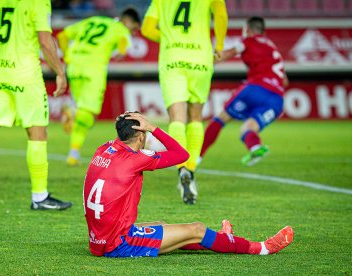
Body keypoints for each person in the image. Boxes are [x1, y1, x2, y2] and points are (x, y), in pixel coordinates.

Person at [83, 111, 294, 258]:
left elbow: (123, 140)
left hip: (99, 239)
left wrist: (128, 125)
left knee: (161, 225)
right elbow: (181, 154)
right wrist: (153, 127)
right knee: (197, 229)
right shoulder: (136, 159)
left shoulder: (104, 149)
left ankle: (221, 239)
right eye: (144, 133)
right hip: (119, 243)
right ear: (140, 135)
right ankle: (261, 248)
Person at [0, 0, 73, 212]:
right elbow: (45, 42)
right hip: (26, 76)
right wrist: (60, 72)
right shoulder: (39, 2)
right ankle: (40, 197)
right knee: (37, 134)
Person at [141, 0, 228, 204]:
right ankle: (190, 170)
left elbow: (146, 29)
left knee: (177, 118)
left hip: (173, 58)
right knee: (196, 117)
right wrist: (220, 46)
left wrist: (168, 36)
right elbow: (221, 15)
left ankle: (181, 168)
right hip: (200, 58)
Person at [199, 16, 289, 167]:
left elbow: (227, 54)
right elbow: (285, 81)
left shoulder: (247, 42)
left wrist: (204, 60)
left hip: (256, 88)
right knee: (248, 128)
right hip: (277, 99)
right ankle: (255, 147)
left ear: (247, 29)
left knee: (221, 118)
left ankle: (197, 156)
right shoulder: (272, 47)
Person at [56, 7, 141, 166]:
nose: (133, 32)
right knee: (88, 114)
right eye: (134, 28)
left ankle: (74, 152)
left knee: (84, 110)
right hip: (93, 69)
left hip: (74, 67)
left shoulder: (92, 20)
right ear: (128, 22)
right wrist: (120, 51)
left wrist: (67, 56)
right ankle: (73, 121)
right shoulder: (120, 29)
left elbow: (62, 35)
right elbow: (123, 47)